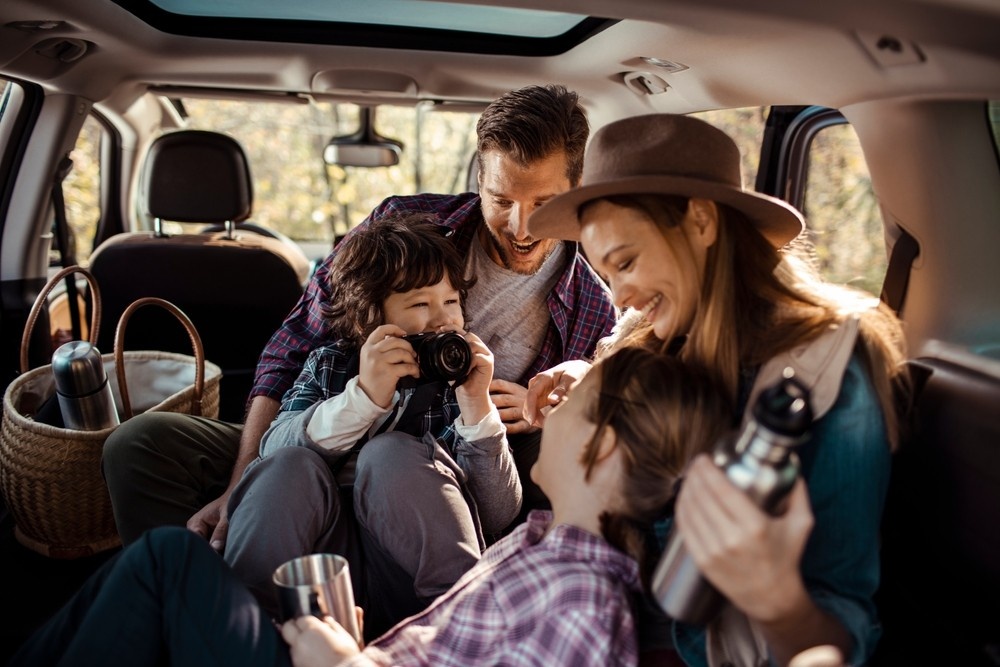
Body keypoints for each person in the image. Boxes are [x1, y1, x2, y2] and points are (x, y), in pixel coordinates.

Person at [102, 84, 617, 551]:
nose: (521, 226)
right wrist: (244, 481)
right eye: (502, 200)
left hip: (450, 464)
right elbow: (293, 348)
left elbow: (582, 423)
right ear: (479, 180)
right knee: (140, 444)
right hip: (328, 427)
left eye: (545, 203)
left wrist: (541, 410)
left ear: (576, 189)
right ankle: (188, 583)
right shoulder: (406, 226)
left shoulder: (595, 303)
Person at [12, 347, 733, 667]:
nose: (545, 405)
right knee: (170, 562)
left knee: (167, 564)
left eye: (570, 403)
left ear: (601, 447)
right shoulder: (548, 544)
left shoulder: (584, 599)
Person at [524, 113, 911, 667]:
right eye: (607, 275)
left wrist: (775, 598)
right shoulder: (657, 334)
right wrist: (589, 382)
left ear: (701, 222)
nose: (618, 296)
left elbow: (842, 623)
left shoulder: (826, 372)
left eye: (627, 262)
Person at [223, 213, 521, 638]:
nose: (444, 320)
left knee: (391, 453)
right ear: (371, 317)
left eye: (452, 302)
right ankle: (245, 631)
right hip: (321, 575)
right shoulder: (330, 364)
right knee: (288, 465)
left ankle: (469, 632)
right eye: (420, 304)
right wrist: (362, 397)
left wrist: (476, 405)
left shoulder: (457, 387)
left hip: (417, 591)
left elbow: (497, 513)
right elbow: (271, 451)